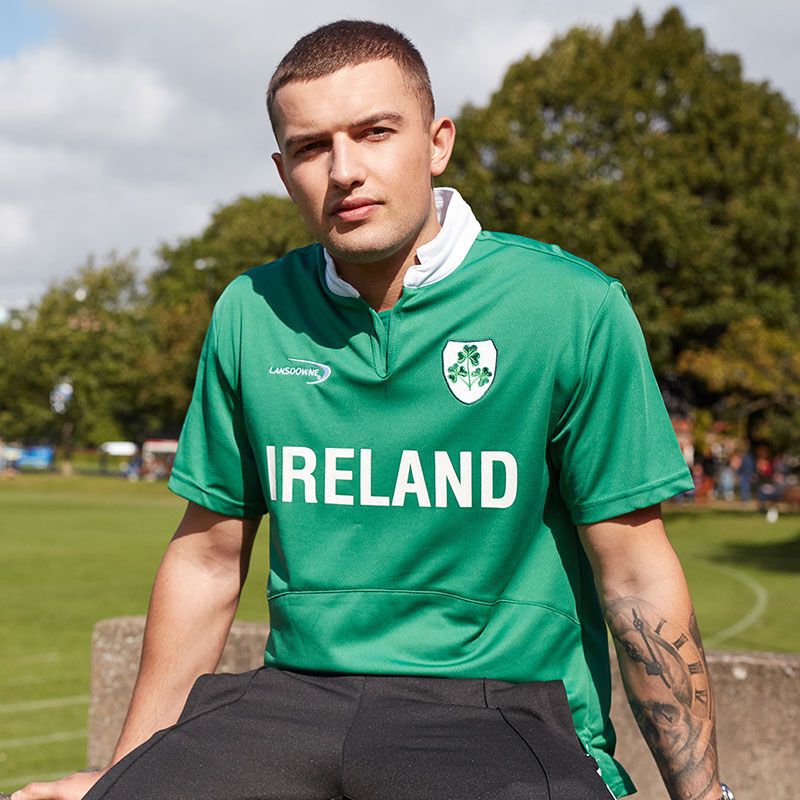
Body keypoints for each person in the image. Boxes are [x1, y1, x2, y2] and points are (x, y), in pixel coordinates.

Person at [13, 20, 734, 800]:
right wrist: (127, 777)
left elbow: (633, 573)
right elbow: (208, 558)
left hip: (501, 710)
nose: (344, 170)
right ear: (283, 168)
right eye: (311, 147)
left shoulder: (570, 307)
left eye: (375, 132)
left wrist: (706, 797)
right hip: (295, 699)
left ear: (437, 142)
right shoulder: (252, 311)